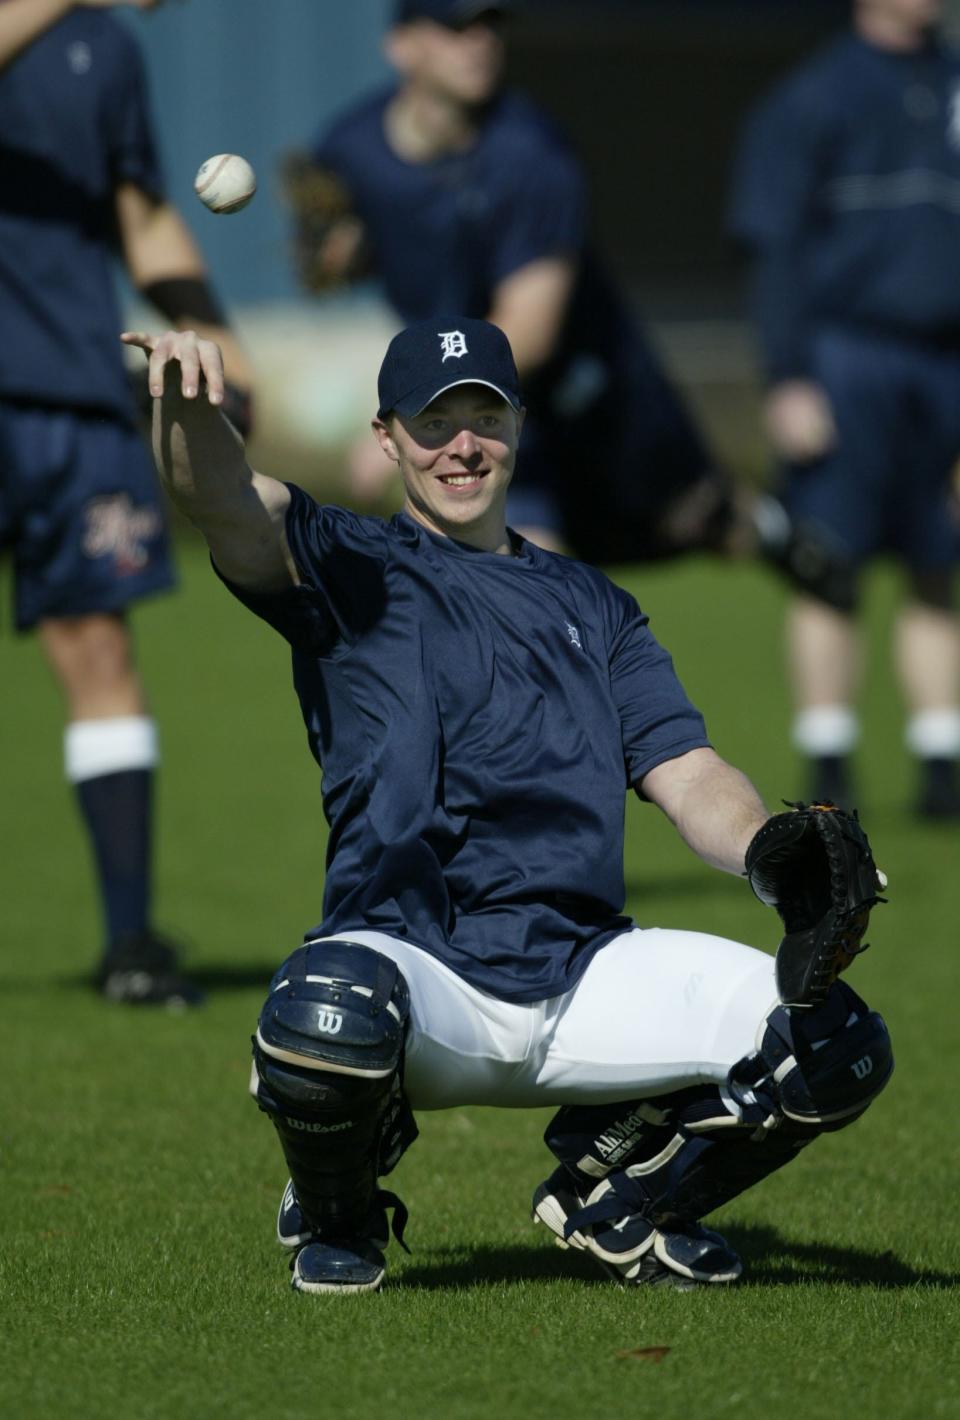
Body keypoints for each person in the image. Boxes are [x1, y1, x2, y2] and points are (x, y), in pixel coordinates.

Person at [124, 314, 892, 1295]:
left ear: (518, 426)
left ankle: (624, 1199)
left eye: (483, 417)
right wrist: (188, 416)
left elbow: (688, 771)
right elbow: (226, 501)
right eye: (434, 422)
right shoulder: (346, 564)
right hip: (422, 981)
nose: (462, 446)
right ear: (387, 436)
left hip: (580, 976)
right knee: (326, 1011)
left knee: (837, 1039)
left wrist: (767, 851)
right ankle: (339, 1209)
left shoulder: (594, 605)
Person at [284, 0, 850, 601]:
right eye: (456, 27)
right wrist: (343, 257)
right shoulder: (351, 149)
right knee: (511, 590)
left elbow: (530, 329)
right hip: (490, 412)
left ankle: (768, 530)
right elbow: (354, 249)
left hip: (589, 390)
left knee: (694, 517)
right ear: (402, 47)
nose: (479, 42)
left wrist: (411, 417)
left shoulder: (528, 155)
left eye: (489, 26)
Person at [0, 0, 255, 1005]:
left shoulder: (103, 45)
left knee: (98, 644)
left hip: (65, 382)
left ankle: (130, 944)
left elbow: (139, 214)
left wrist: (213, 334)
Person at [729, 0, 960, 817]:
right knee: (830, 562)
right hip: (847, 353)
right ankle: (827, 756)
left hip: (946, 360)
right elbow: (776, 247)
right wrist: (788, 375)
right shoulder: (814, 95)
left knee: (940, 560)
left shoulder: (953, 79)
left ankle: (941, 758)